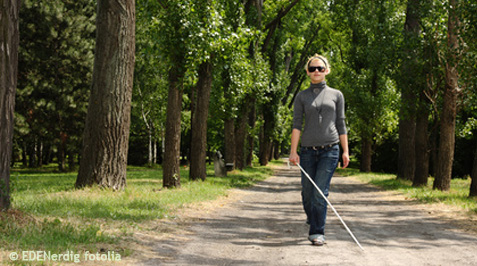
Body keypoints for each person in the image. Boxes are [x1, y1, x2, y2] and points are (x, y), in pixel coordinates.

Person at [289, 54, 349, 246]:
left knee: (320, 193)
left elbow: (341, 123)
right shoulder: (301, 96)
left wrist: (346, 151)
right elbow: (296, 124)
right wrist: (293, 151)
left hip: (330, 150)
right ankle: (312, 216)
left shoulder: (337, 95)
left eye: (320, 68)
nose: (316, 71)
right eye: (313, 68)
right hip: (307, 151)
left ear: (327, 71)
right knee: (307, 193)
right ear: (307, 72)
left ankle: (317, 232)